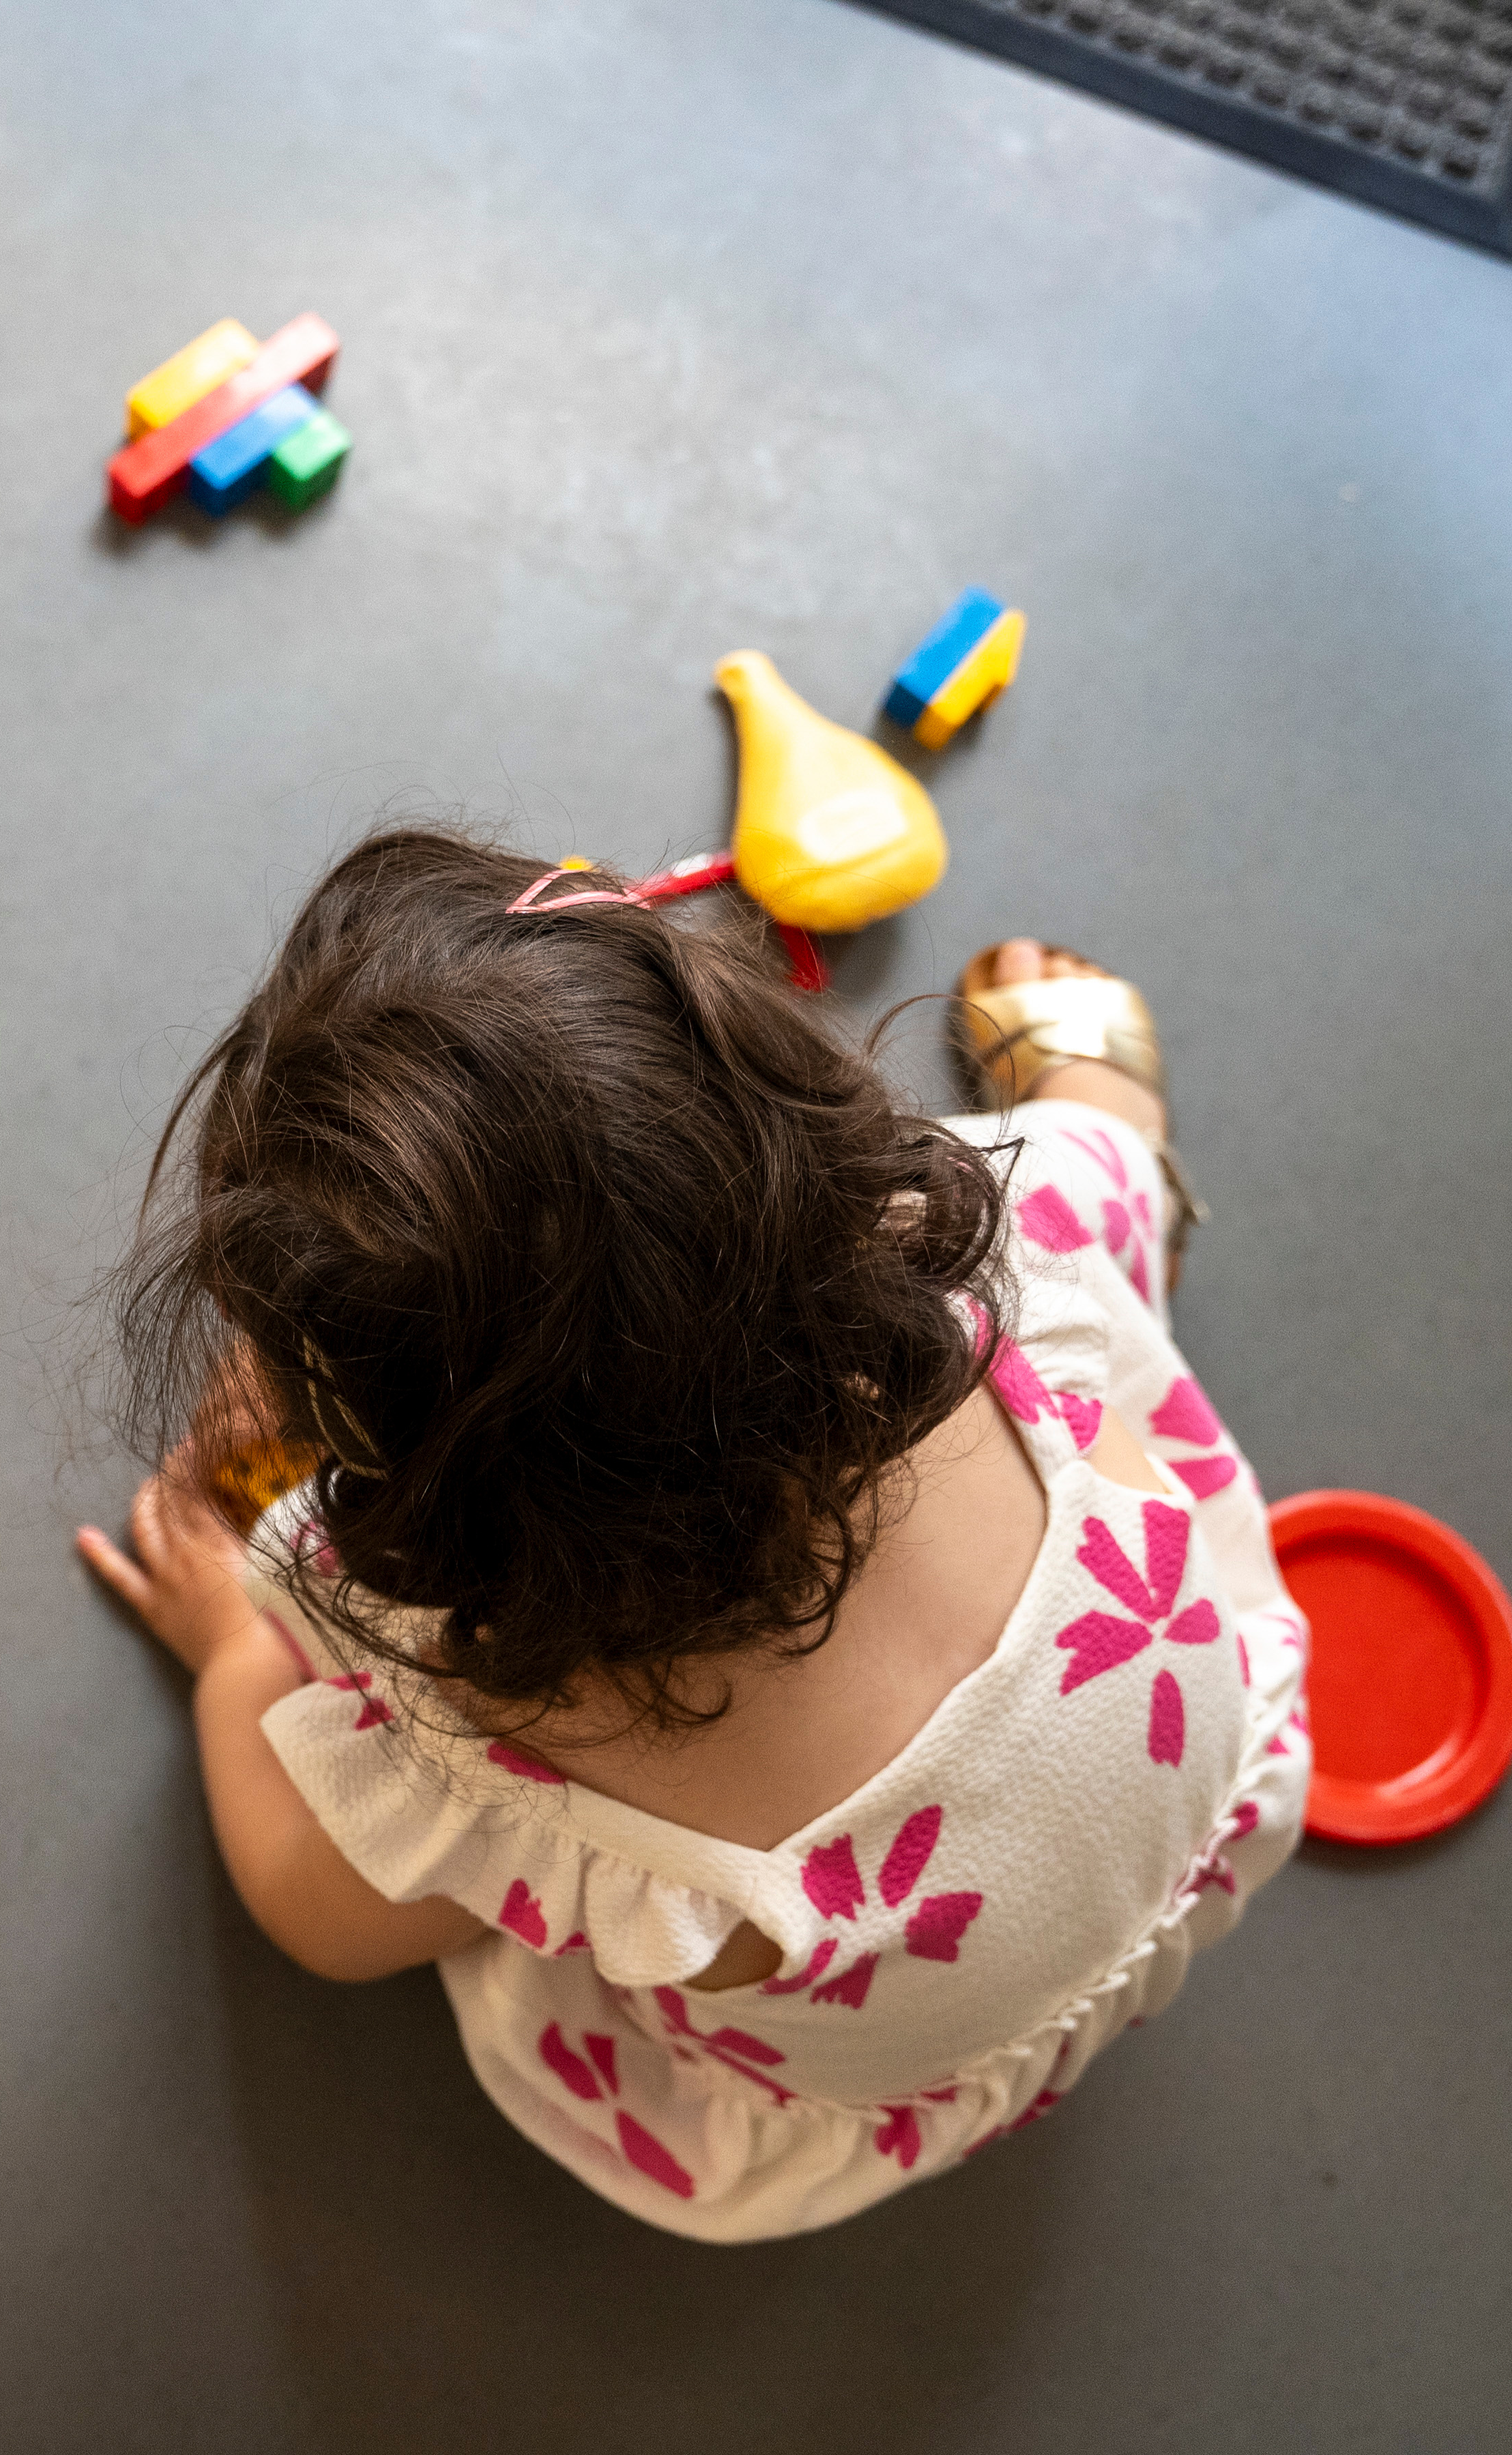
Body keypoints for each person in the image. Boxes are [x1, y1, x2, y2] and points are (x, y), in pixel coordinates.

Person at [75, 828, 1306, 2239]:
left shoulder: (509, 1743)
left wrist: (237, 1646)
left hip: (886, 2057)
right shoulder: (991, 1232)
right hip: (1209, 1793)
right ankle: (1120, 1108)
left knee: (545, 1900)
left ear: (426, 1498)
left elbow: (319, 1915)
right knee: (1084, 1181)